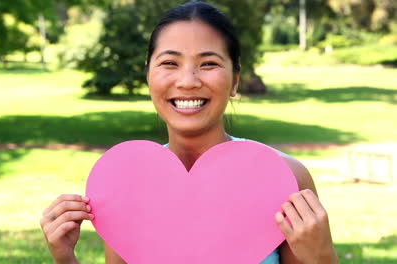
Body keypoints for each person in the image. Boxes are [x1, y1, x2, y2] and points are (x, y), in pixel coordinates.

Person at [40, 2, 339, 263]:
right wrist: (65, 258)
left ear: (235, 80)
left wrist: (324, 257)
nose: (188, 80)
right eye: (170, 63)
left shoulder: (284, 178)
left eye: (208, 64)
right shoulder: (126, 181)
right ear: (148, 76)